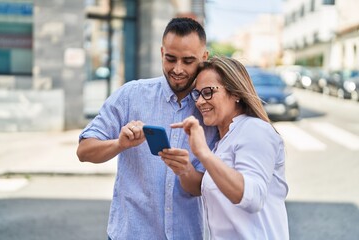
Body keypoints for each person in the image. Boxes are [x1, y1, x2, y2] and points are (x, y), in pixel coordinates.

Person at [76, 17, 218, 240]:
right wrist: (119, 144)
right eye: (170, 59)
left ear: (204, 57)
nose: (178, 69)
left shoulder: (210, 109)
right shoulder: (131, 95)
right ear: (162, 53)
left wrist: (185, 170)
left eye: (188, 61)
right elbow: (84, 151)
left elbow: (207, 188)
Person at [162, 56, 289, 239]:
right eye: (197, 94)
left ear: (235, 93)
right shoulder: (222, 142)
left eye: (208, 92)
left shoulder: (255, 130)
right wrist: (184, 168)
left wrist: (203, 153)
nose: (199, 102)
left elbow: (252, 198)